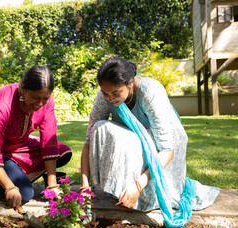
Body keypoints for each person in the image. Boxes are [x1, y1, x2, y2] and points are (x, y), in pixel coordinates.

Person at [79, 57, 219, 212]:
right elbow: (88, 141)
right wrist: (85, 186)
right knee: (99, 128)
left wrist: (138, 185)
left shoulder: (150, 91)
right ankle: (123, 191)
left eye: (116, 93)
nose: (110, 98)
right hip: (134, 138)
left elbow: (167, 149)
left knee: (148, 195)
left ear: (130, 83)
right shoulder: (104, 96)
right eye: (105, 93)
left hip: (164, 145)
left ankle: (138, 192)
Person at [0, 65, 72, 211]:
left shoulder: (47, 100)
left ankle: (15, 173)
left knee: (63, 152)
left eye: (44, 99)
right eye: (35, 98)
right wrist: (9, 187)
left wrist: (52, 184)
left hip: (17, 146)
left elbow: (49, 142)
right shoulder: (2, 101)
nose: (40, 104)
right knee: (25, 194)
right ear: (22, 87)